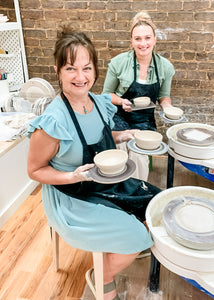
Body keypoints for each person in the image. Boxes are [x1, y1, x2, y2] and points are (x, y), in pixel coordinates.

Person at [26, 28, 160, 300]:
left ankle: (117, 248)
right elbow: (35, 170)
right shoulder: (53, 121)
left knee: (156, 205)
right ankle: (103, 276)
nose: (80, 77)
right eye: (70, 68)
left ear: (95, 69)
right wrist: (73, 176)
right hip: (71, 196)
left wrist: (121, 135)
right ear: (58, 70)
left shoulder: (98, 103)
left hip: (104, 182)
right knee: (136, 235)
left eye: (87, 68)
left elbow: (96, 135)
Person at [103, 11, 175, 181]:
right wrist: (121, 101)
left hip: (144, 119)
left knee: (138, 152)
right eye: (138, 39)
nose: (143, 43)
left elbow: (164, 96)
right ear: (131, 41)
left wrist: (168, 108)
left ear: (155, 39)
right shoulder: (119, 63)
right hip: (119, 116)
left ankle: (137, 190)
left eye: (147, 38)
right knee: (120, 147)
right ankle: (118, 189)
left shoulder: (165, 67)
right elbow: (105, 95)